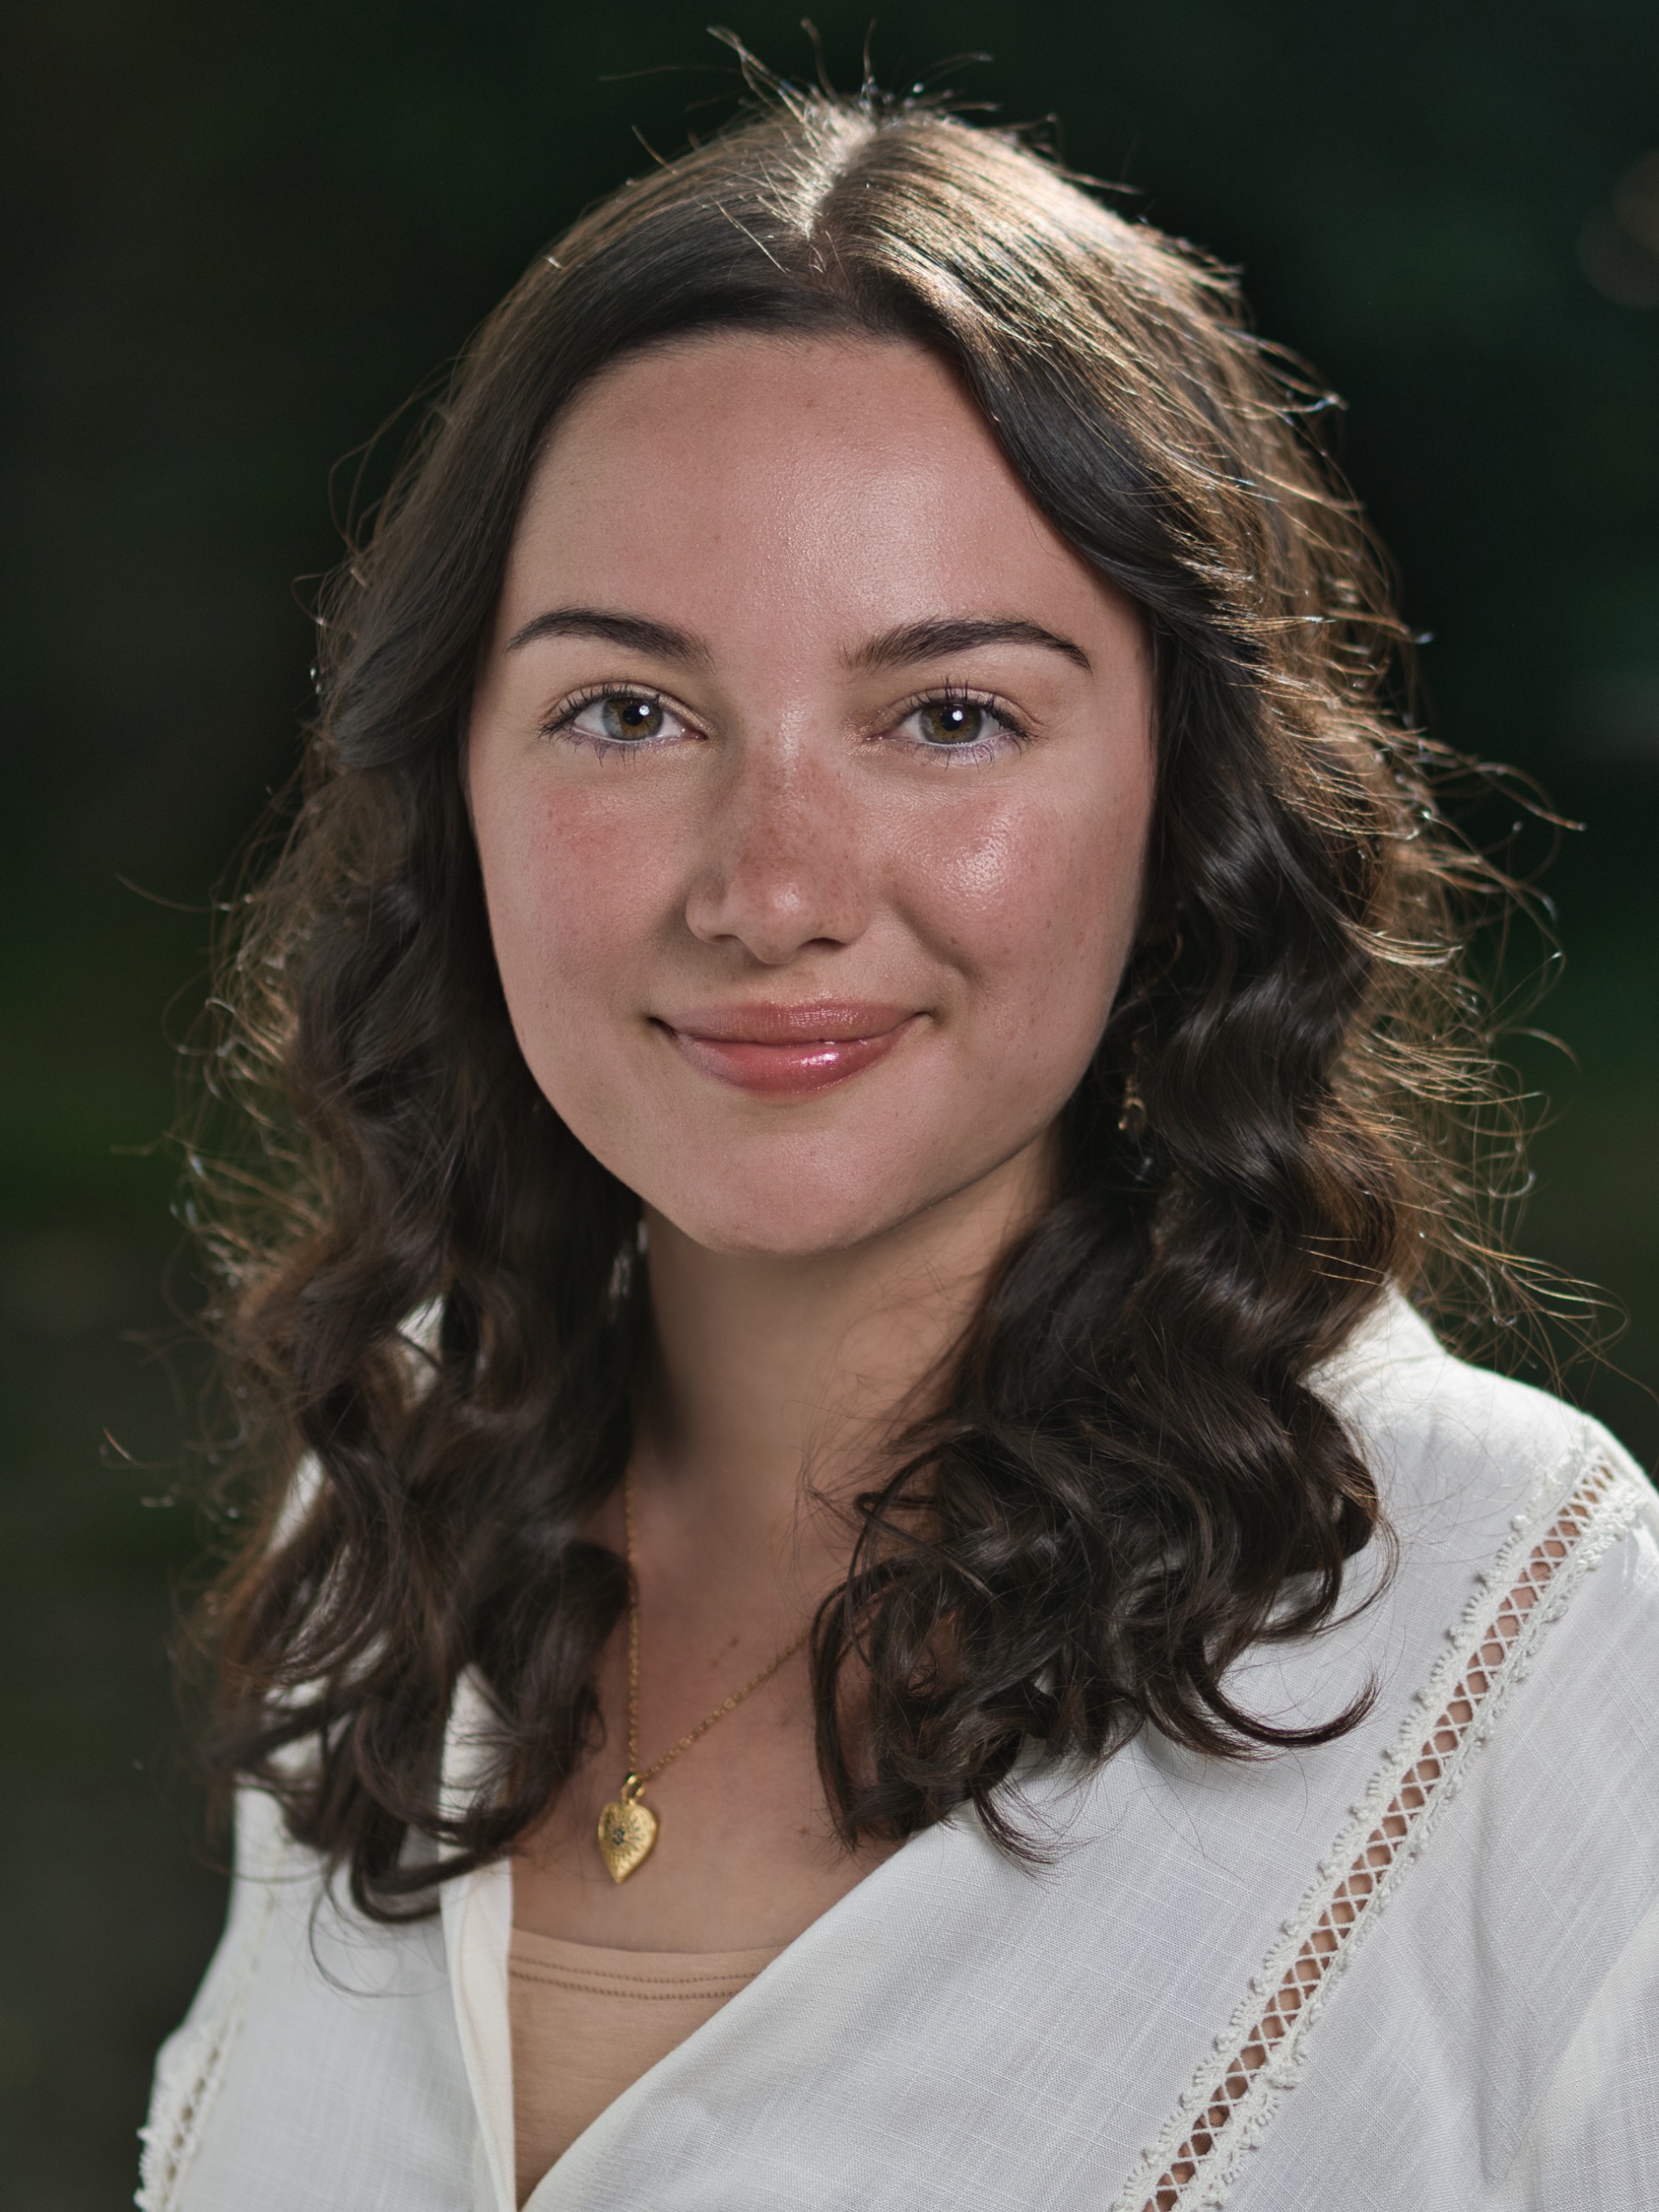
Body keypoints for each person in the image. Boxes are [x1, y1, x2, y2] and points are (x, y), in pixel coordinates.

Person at [138, 86, 1659, 2212]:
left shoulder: (1518, 1619)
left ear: (1188, 797)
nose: (771, 892)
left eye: (949, 718)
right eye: (628, 713)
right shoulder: (393, 1497)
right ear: (453, 779)